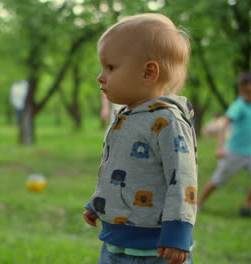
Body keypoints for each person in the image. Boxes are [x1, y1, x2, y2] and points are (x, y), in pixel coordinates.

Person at [82, 14, 197, 264]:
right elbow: (118, 169)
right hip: (115, 245)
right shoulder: (125, 116)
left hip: (157, 250)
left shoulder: (168, 121)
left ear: (148, 72)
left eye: (111, 67)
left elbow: (183, 179)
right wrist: (98, 203)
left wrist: (178, 233)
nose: (101, 76)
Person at [198, 72, 251, 218]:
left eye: (249, 92)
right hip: (234, 152)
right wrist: (220, 147)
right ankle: (198, 204)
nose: (245, 95)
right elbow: (224, 126)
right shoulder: (238, 106)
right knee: (217, 180)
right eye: (242, 92)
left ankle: (247, 206)